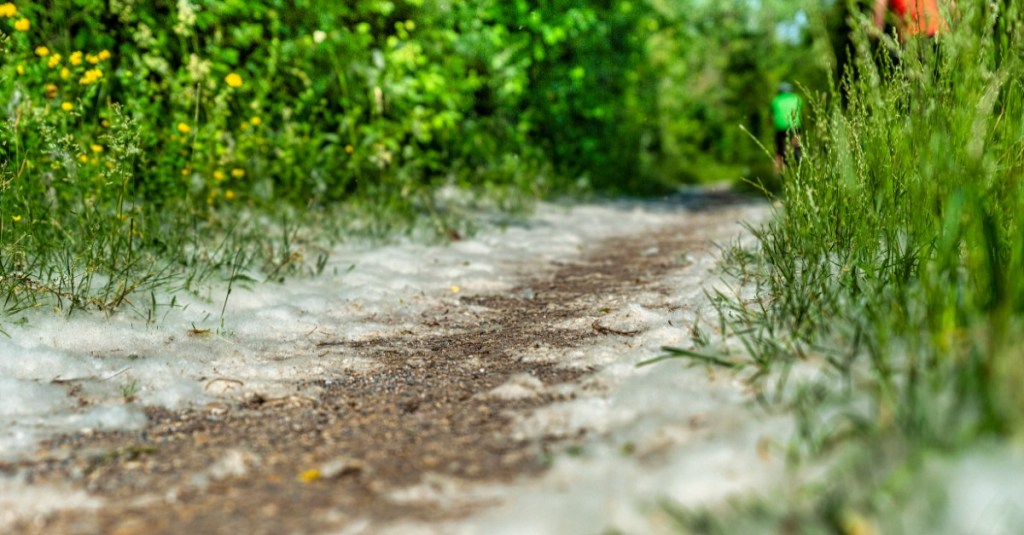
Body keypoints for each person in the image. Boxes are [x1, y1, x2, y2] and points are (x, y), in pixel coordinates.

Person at [873, 0, 956, 40]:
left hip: (914, 40)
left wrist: (875, 33)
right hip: (943, 33)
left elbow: (878, 15)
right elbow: (952, 7)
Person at [770, 82, 803, 173]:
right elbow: (801, 111)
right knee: (797, 145)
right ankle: (799, 166)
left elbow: (772, 115)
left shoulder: (775, 100)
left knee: (779, 149)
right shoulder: (797, 98)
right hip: (796, 126)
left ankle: (777, 171)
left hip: (780, 127)